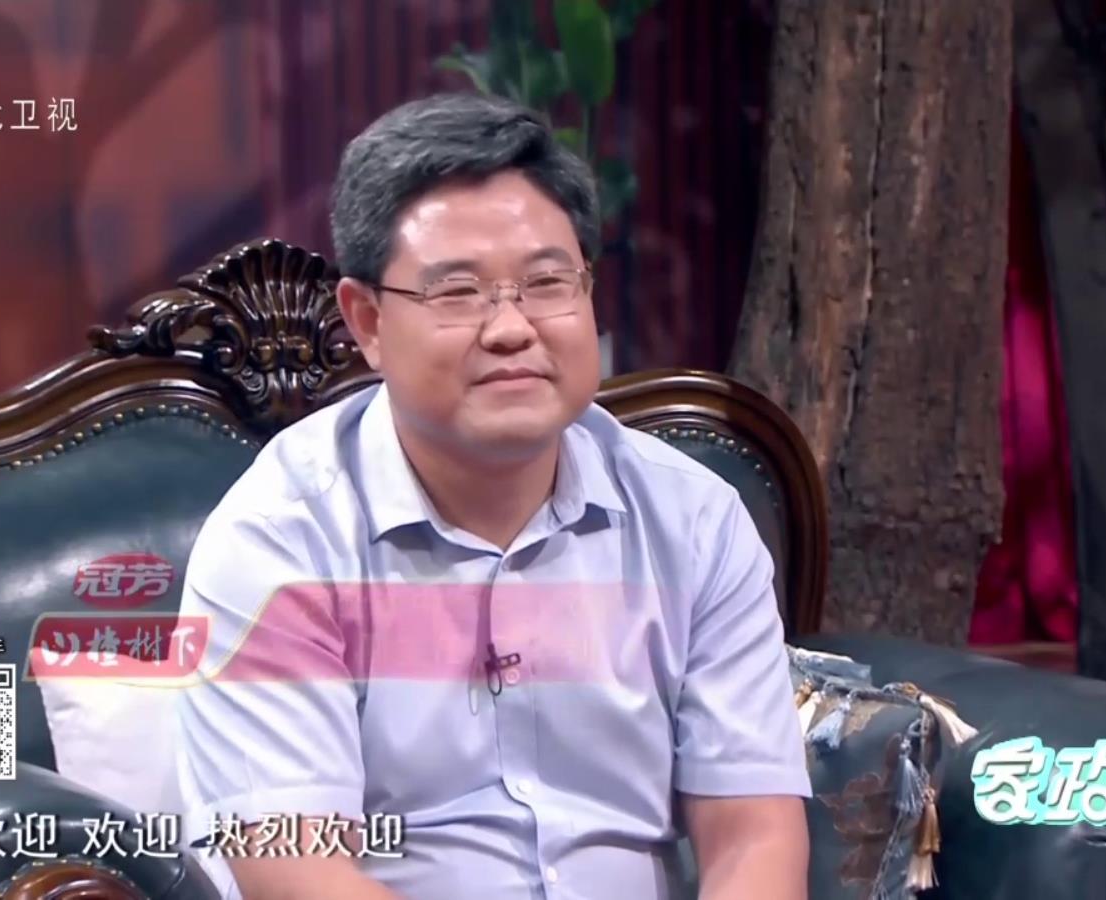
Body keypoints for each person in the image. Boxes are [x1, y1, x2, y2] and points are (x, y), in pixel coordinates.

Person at [175, 92, 810, 900]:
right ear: (367, 322)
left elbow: (754, 837)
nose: (512, 329)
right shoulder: (279, 540)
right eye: (458, 293)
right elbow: (295, 871)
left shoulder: (694, 522)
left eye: (546, 282)